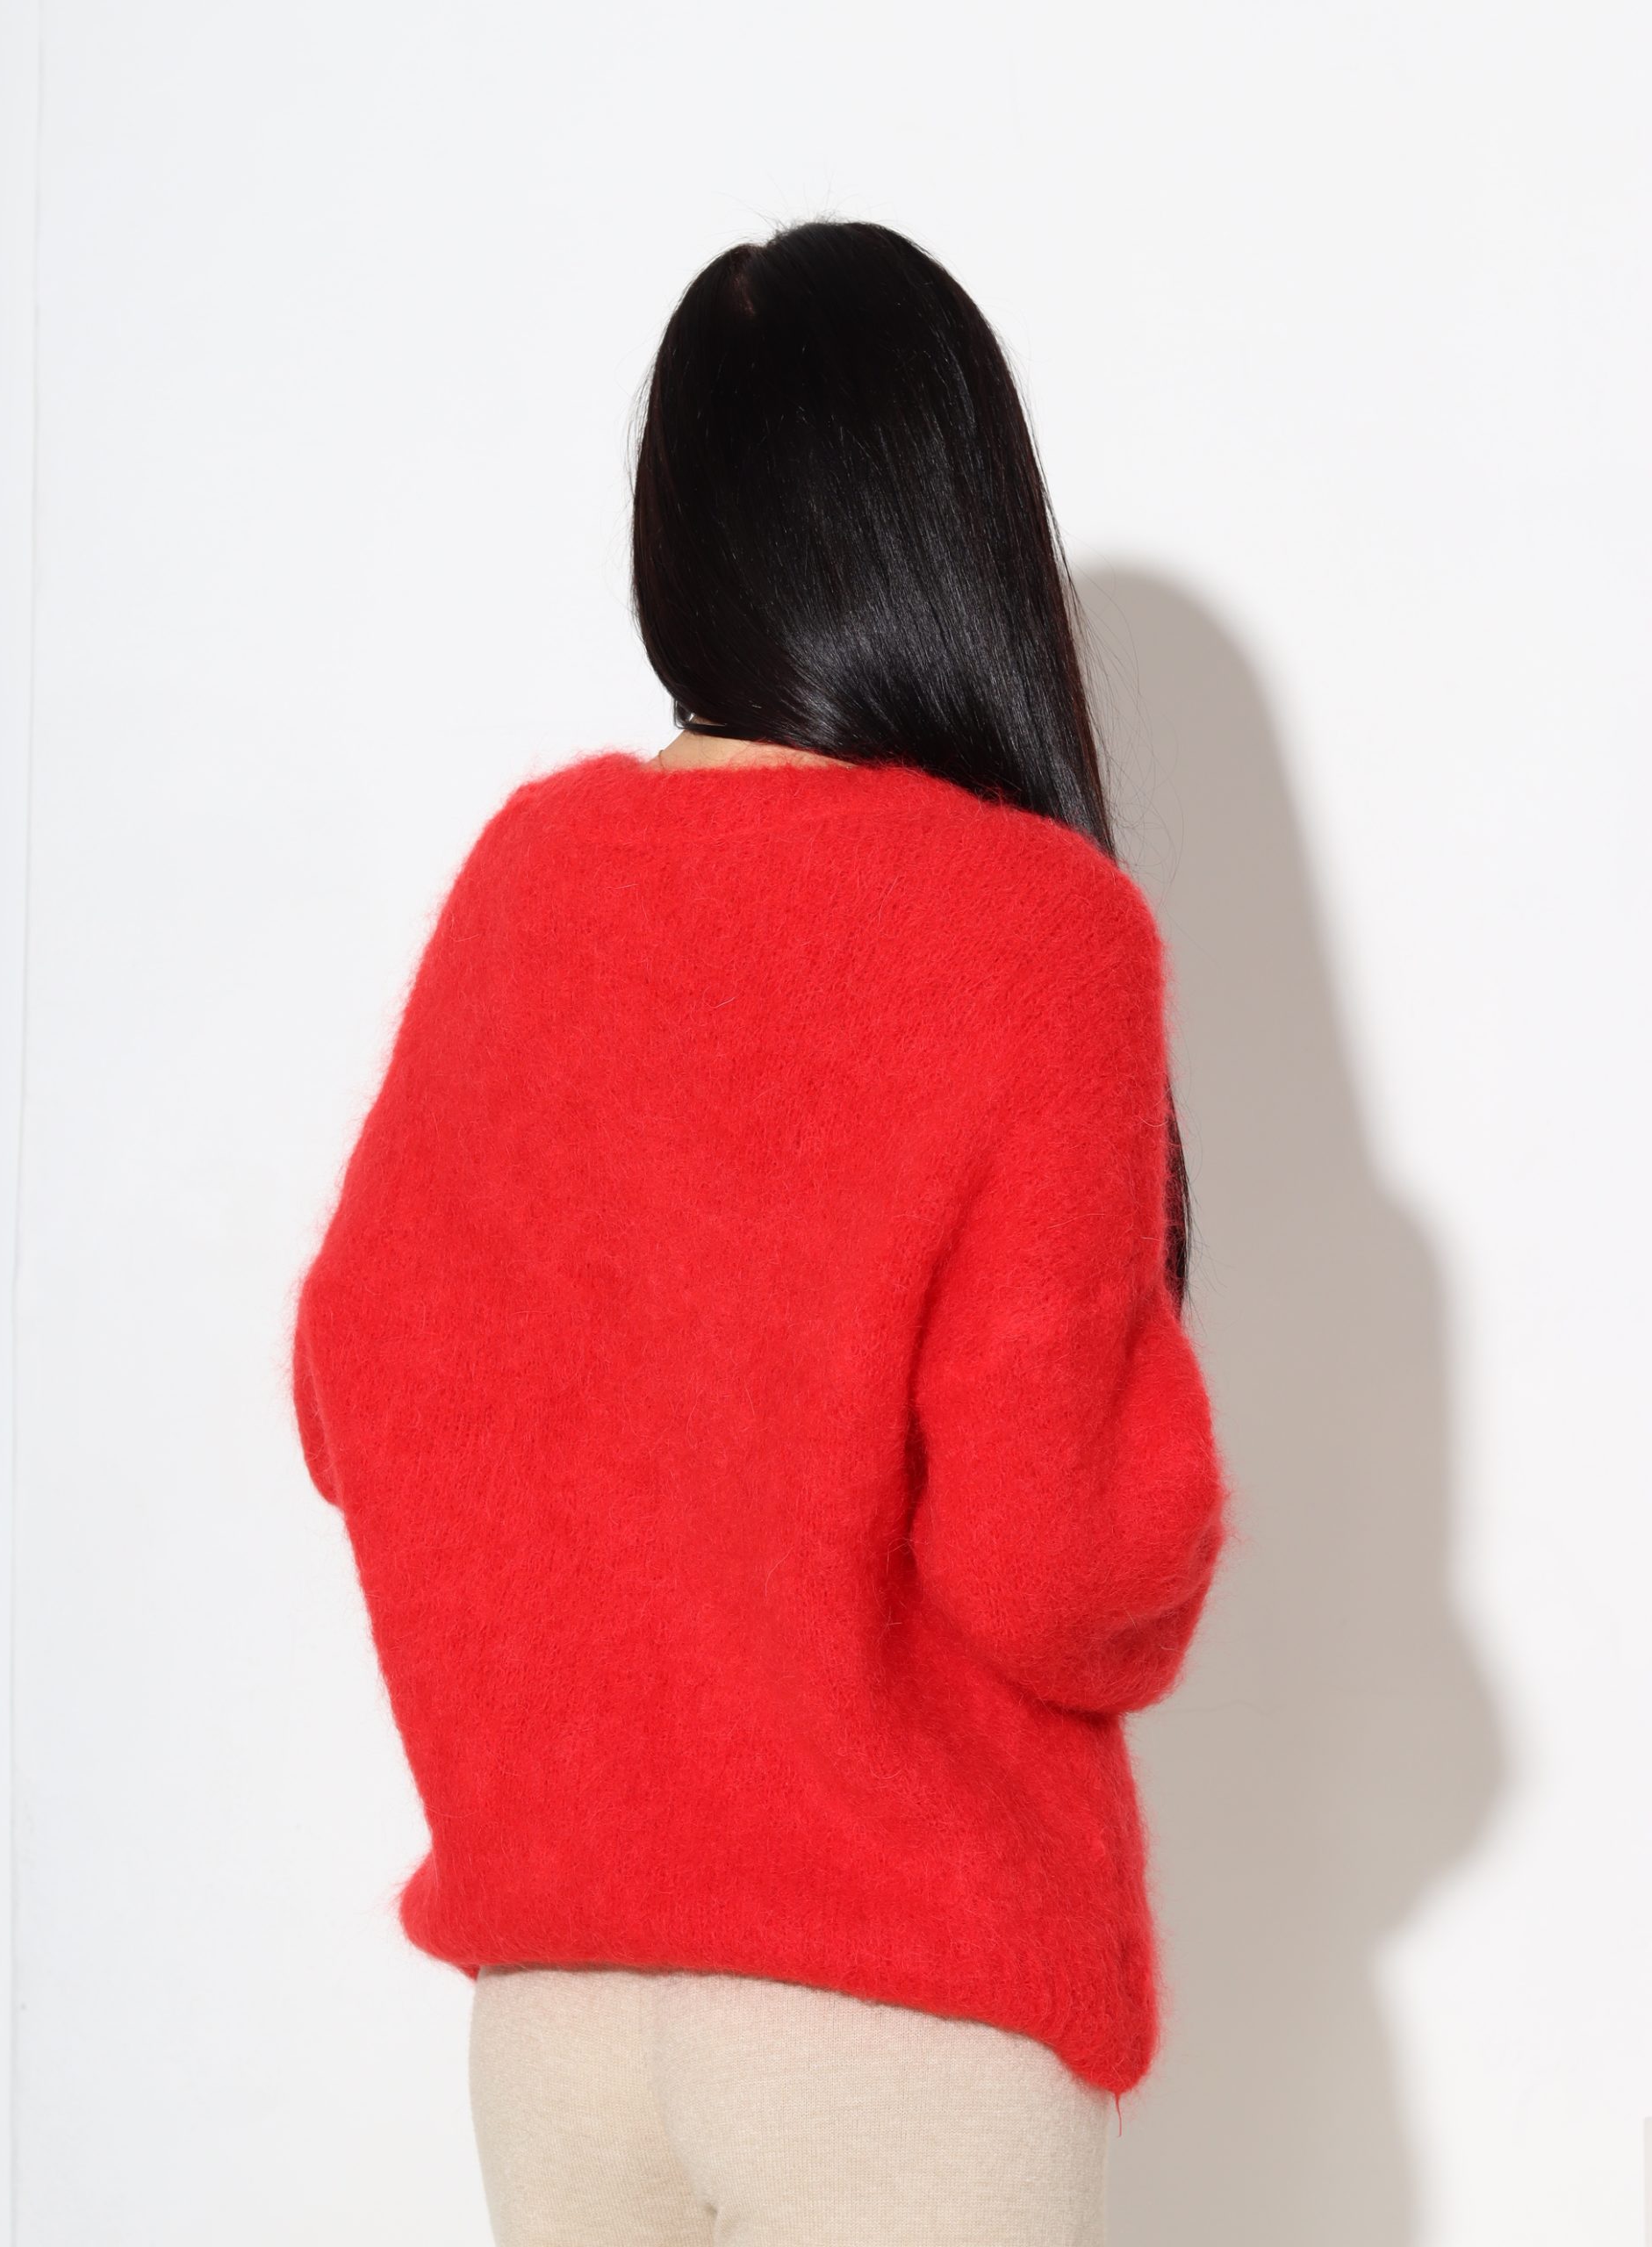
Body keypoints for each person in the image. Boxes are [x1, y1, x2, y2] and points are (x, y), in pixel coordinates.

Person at [288, 219, 1233, 2246]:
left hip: (561, 2014)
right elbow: (1060, 1562)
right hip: (900, 2016)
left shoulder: (528, 880)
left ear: (680, 537)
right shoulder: (1036, 932)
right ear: (958, 525)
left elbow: (354, 1377)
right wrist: (1168, 1473)